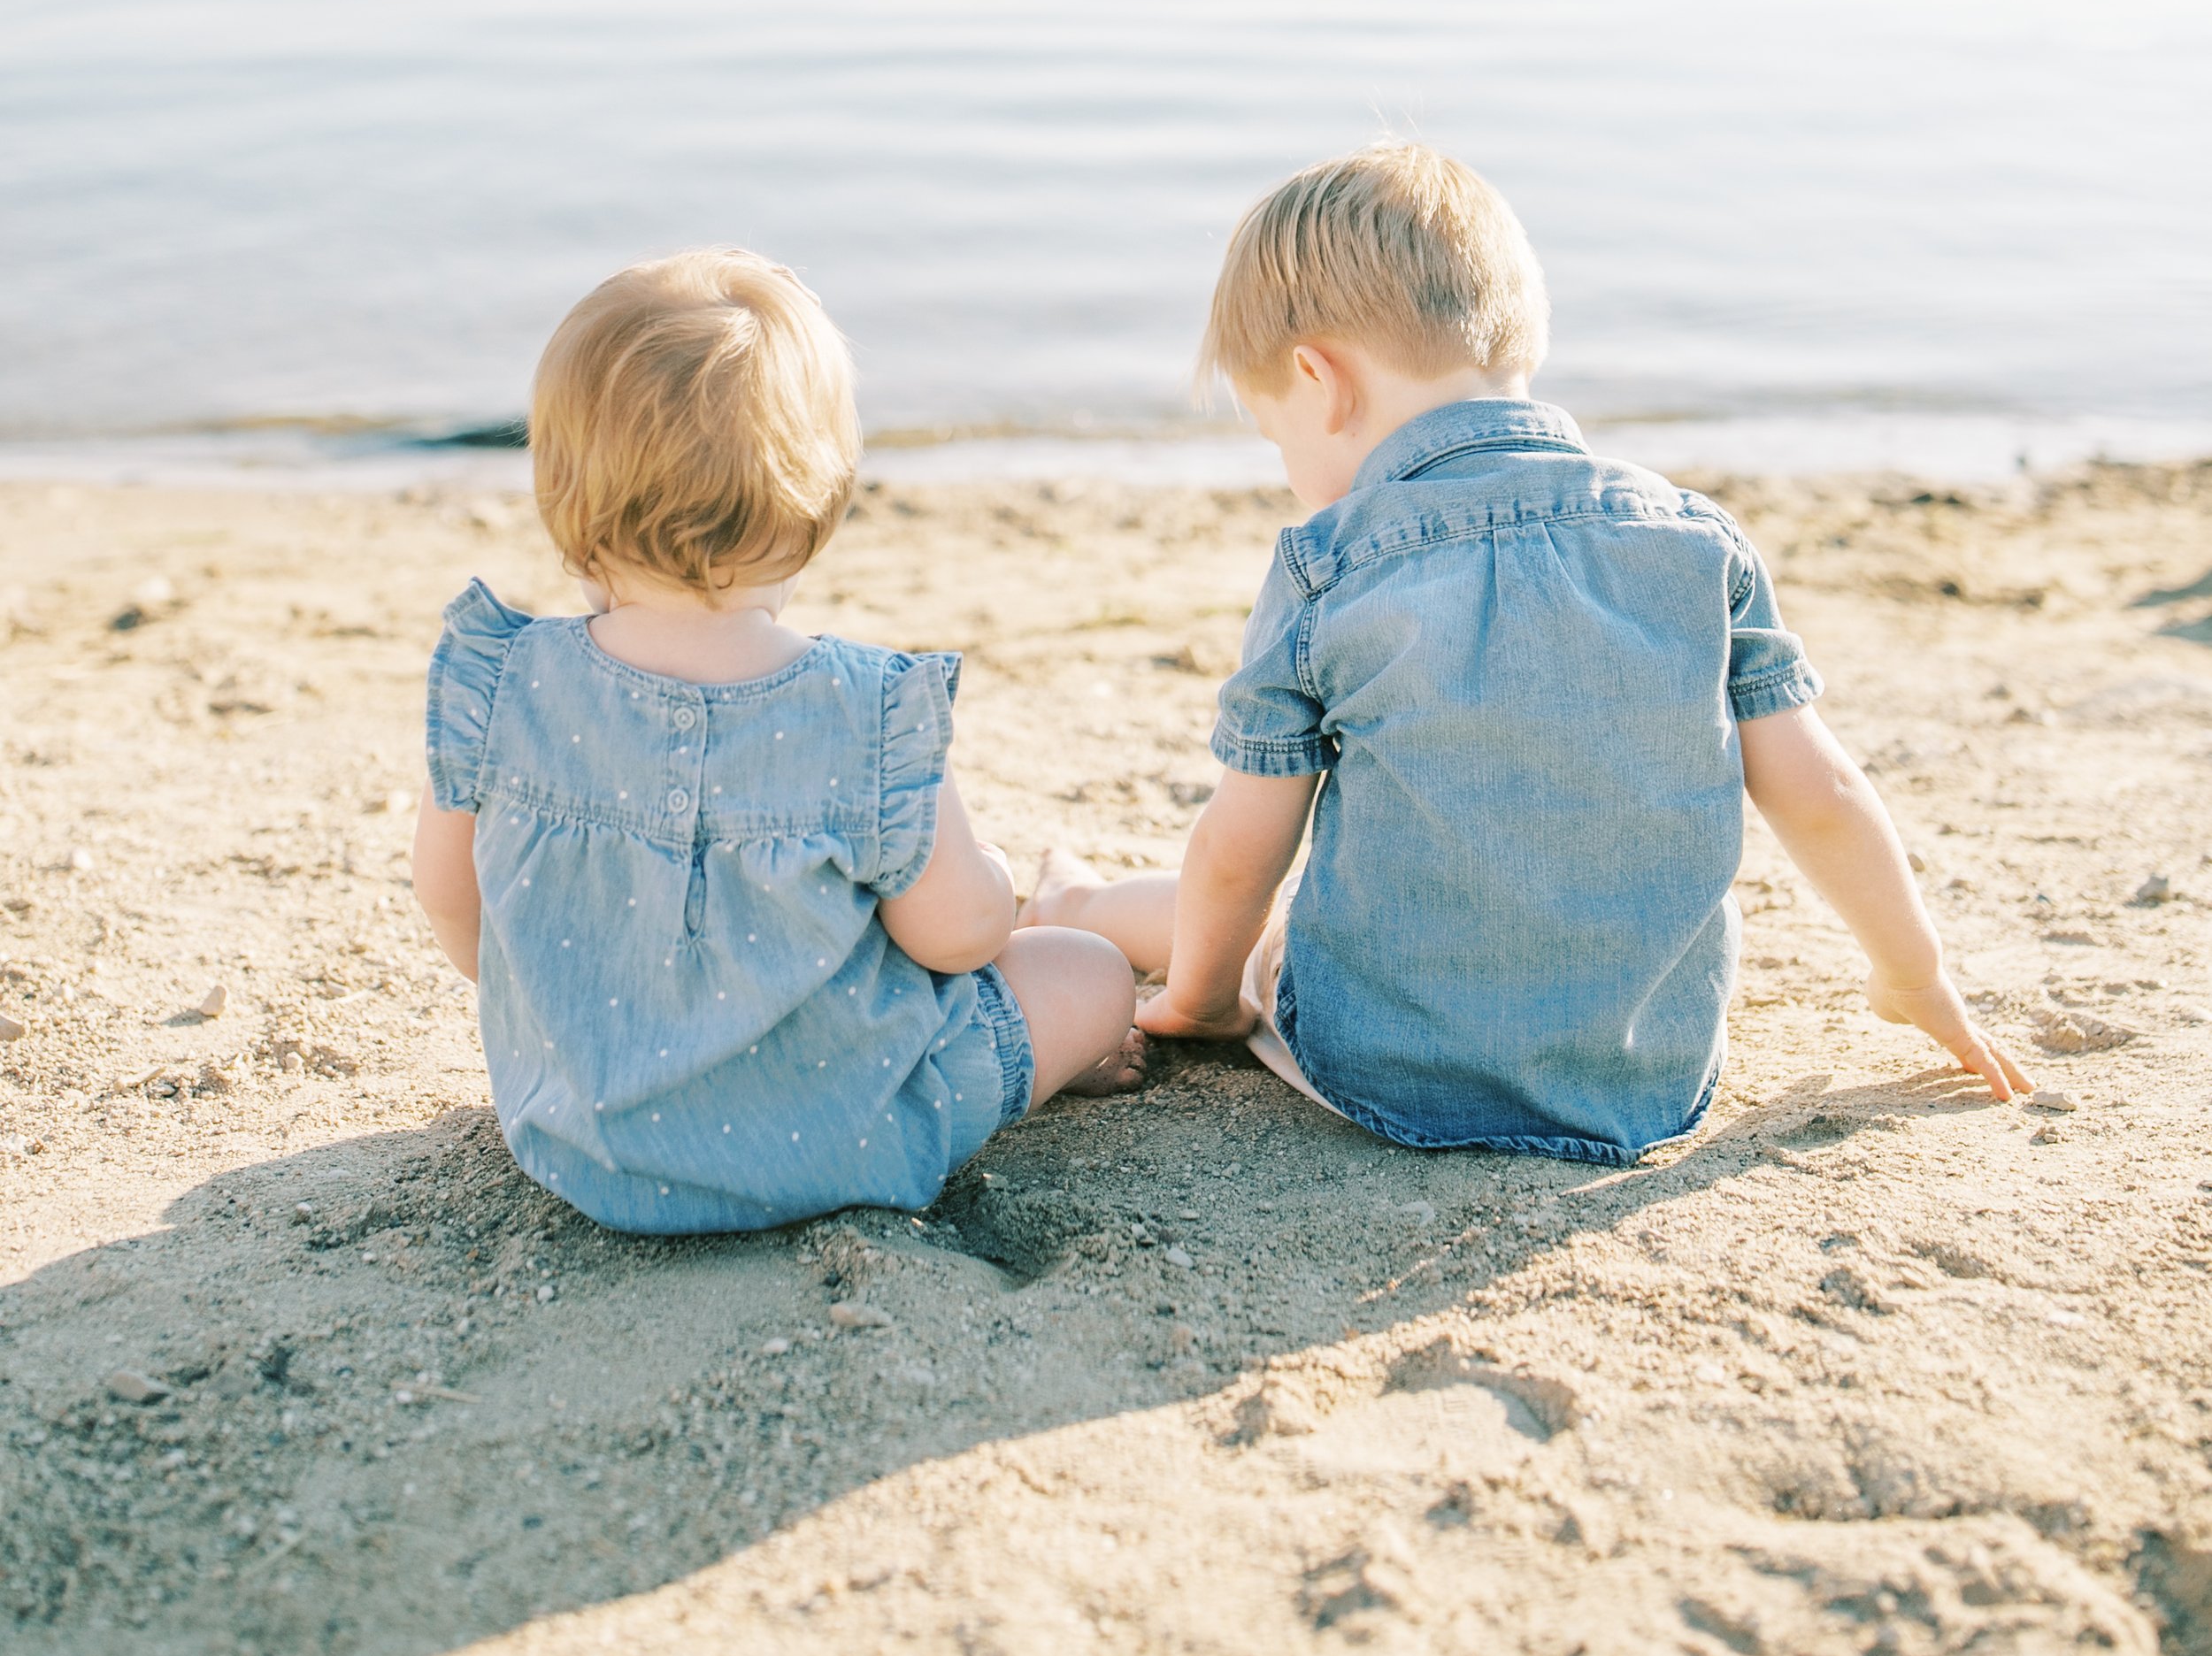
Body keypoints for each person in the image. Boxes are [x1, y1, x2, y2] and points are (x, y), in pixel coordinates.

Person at [1025, 145, 2029, 1163]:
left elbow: (1241, 847)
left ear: (1317, 380)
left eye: (1278, 442)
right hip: (1644, 1073)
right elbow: (1820, 793)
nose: (1293, 477)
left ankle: (1071, 905)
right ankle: (1085, 904)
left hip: (1391, 1066)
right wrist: (1914, 973)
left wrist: (1200, 1004)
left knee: (1265, 920)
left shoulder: (1327, 566)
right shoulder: (1692, 541)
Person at [411, 249, 1137, 1232]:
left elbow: (461, 912)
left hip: (582, 1144)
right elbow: (961, 934)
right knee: (1088, 968)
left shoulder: (501, 683)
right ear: (816, 503)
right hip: (847, 1144)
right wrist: (989, 877)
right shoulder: (867, 710)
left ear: (560, 491)